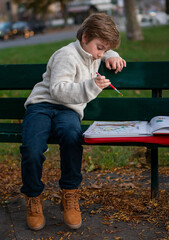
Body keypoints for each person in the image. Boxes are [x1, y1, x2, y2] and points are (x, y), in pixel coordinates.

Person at [20, 13, 126, 231]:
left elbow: (96, 53)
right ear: (85, 37)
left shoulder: (93, 52)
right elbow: (57, 91)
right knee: (31, 148)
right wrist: (92, 86)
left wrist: (111, 56)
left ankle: (69, 193)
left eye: (105, 49)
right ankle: (33, 197)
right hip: (42, 106)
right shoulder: (66, 55)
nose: (101, 54)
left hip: (68, 110)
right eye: (100, 48)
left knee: (71, 136)